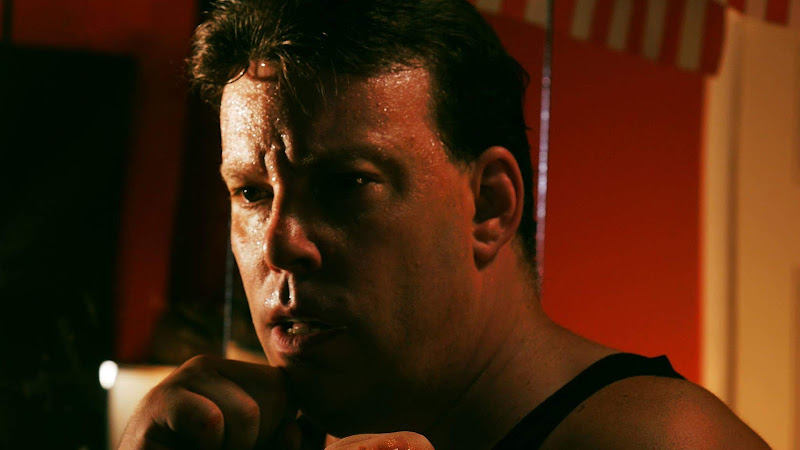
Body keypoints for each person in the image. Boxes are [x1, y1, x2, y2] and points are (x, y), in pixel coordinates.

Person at [120, 0, 769, 448]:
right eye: (252, 193)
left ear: (489, 205)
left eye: (347, 185)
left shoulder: (652, 441)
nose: (281, 244)